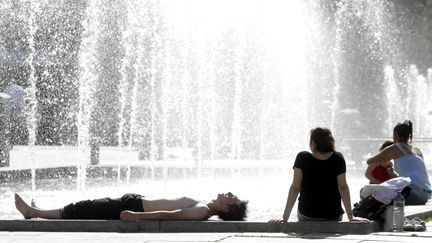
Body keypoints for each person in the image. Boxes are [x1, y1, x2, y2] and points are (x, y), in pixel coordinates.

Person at [269, 127, 359, 224]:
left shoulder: (302, 157)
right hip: (333, 215)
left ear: (313, 143)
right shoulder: (338, 158)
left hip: (307, 215)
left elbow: (295, 187)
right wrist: (351, 217)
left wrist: (285, 218)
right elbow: (343, 187)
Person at [15, 192, 248, 221]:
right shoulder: (205, 206)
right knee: (85, 206)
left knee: (82, 208)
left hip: (136, 206)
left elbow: (171, 215)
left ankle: (33, 212)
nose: (229, 194)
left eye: (232, 199)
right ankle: (39, 211)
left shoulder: (203, 211)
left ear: (227, 209)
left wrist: (137, 215)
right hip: (135, 201)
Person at [366, 120, 431, 205]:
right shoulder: (417, 151)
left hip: (412, 194)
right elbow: (411, 176)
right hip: (426, 196)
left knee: (368, 193)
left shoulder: (395, 147)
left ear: (395, 134)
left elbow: (370, 161)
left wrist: (385, 157)